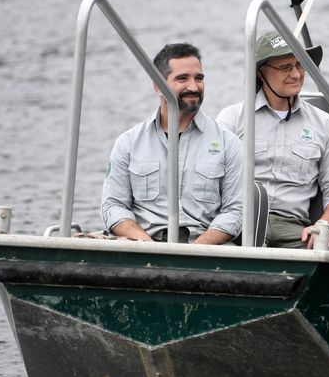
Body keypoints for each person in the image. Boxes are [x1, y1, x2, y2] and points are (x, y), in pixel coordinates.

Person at [101, 42, 243, 244]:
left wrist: (197, 249)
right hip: (143, 250)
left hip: (207, 255)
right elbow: (113, 206)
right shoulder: (128, 143)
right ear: (157, 85)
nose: (193, 87)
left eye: (199, 78)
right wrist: (147, 246)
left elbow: (236, 211)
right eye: (182, 79)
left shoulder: (229, 144)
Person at [218, 31, 329, 249]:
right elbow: (212, 184)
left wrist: (323, 225)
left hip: (297, 229)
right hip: (241, 222)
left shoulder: (326, 124)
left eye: (300, 65)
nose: (296, 74)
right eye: (285, 67)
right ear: (260, 73)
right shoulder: (232, 119)